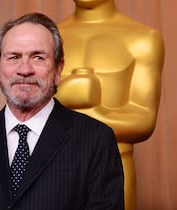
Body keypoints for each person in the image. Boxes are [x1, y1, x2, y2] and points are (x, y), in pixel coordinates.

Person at [0, 12, 124, 210]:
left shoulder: (95, 139)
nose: (24, 69)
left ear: (58, 70)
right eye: (14, 57)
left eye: (38, 57)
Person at [54, 0, 164, 210]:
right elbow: (25, 109)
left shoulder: (143, 39)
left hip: (113, 166)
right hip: (49, 167)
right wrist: (63, 98)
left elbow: (144, 119)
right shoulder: (47, 38)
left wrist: (78, 111)